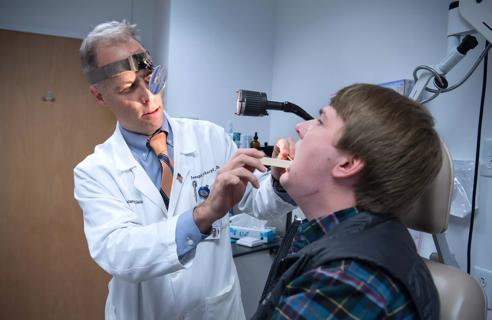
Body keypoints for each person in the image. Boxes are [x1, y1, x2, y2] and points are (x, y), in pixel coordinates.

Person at [73, 21, 296, 320]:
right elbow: (119, 253)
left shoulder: (210, 138)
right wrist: (203, 214)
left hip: (215, 310)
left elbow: (256, 201)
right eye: (128, 88)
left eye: (150, 78)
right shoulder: (95, 172)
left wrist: (280, 183)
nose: (148, 96)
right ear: (100, 97)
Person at [253, 83, 442, 319]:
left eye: (321, 121)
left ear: (347, 164)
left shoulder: (346, 281)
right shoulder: (344, 243)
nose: (300, 128)